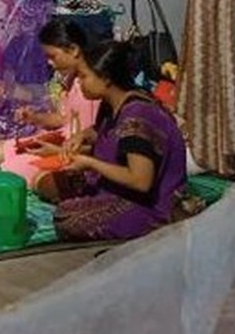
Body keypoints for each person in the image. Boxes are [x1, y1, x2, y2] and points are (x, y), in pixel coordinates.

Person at [36, 40, 187, 241]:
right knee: (46, 183)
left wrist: (90, 163)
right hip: (116, 183)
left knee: (66, 219)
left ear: (106, 79)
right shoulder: (113, 103)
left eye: (84, 76)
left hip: (148, 203)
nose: (79, 83)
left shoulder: (138, 117)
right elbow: (107, 135)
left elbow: (141, 181)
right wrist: (81, 136)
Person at [0, 20, 101, 187]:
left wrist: (56, 151)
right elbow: (62, 118)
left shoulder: (93, 85)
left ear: (74, 50)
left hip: (76, 150)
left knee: (17, 172)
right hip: (62, 140)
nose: (49, 63)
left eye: (52, 56)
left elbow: (97, 144)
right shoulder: (67, 79)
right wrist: (35, 118)